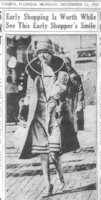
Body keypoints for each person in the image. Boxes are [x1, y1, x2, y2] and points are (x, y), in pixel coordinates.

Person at [19, 38, 84, 195]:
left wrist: (62, 93)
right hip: (39, 115)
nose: (43, 56)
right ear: (37, 54)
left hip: (55, 115)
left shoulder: (60, 68)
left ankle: (61, 178)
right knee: (43, 154)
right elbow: (28, 92)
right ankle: (48, 185)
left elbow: (69, 85)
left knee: (54, 152)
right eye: (40, 53)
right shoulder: (33, 69)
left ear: (51, 53)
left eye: (46, 53)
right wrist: (24, 109)